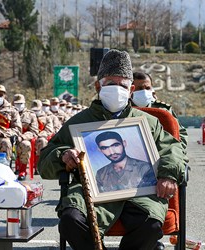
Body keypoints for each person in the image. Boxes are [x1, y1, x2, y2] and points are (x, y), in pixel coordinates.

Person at [38, 49, 187, 250]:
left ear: (131, 89)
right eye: (110, 83)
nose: (116, 89)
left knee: (151, 225)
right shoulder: (79, 122)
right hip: (91, 192)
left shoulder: (149, 122)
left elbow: (172, 149)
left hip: (140, 193)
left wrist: (168, 175)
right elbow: (45, 160)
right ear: (98, 85)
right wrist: (63, 155)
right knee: (69, 220)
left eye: (122, 84)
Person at [131, 71, 188, 160]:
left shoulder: (163, 110)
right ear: (131, 89)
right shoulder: (123, 110)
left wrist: (177, 153)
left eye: (147, 88)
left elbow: (180, 133)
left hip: (162, 156)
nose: (144, 91)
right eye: (140, 88)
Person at [0, 84, 22, 161]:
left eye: (0, 95)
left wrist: (3, 133)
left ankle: (3, 167)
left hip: (3, 139)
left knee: (6, 143)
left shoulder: (12, 110)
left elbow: (17, 129)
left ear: (4, 96)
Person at [12, 94, 39, 180]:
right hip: (9, 137)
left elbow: (34, 131)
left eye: (20, 103)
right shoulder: (8, 112)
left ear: (24, 103)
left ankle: (22, 171)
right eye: (16, 104)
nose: (18, 106)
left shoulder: (30, 115)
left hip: (22, 139)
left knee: (26, 145)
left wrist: (22, 137)